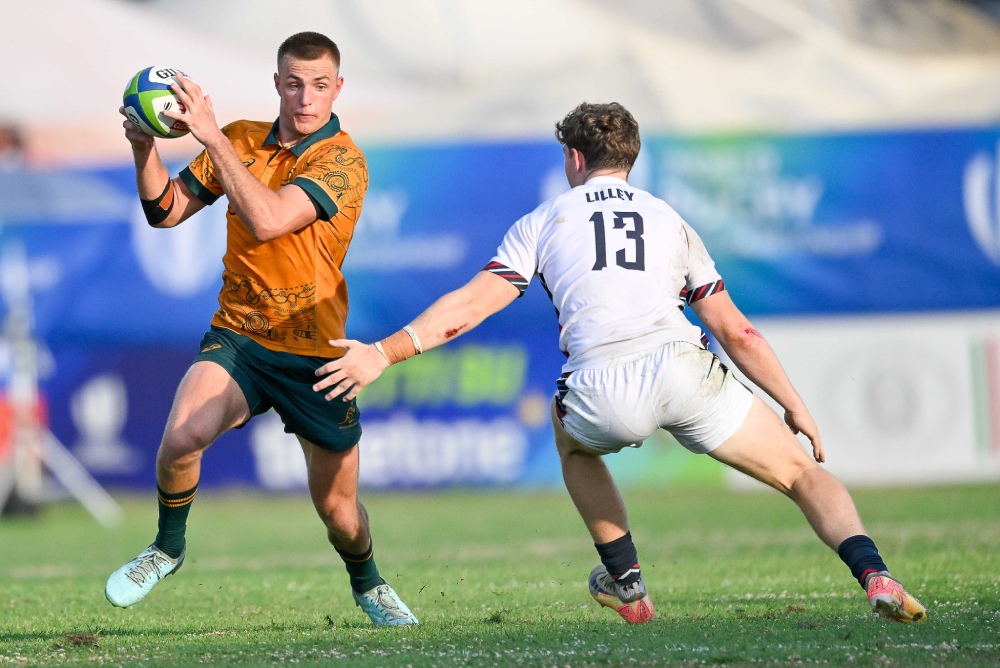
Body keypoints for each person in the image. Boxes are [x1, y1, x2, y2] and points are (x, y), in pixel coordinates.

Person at [312, 102, 928, 625]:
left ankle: (626, 582)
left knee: (573, 445)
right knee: (800, 473)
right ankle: (876, 576)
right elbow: (737, 331)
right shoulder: (669, 219)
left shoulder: (544, 220)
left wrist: (384, 352)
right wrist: (795, 406)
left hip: (601, 386)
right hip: (683, 369)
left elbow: (470, 308)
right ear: (631, 158)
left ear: (574, 158)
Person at [104, 32, 417, 627]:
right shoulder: (242, 139)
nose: (305, 98)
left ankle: (367, 581)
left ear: (337, 88)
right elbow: (164, 211)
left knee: (340, 514)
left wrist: (213, 138)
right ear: (278, 84)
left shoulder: (343, 161)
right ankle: (167, 548)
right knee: (182, 437)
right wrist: (144, 146)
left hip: (316, 355)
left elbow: (271, 220)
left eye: (319, 85)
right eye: (294, 84)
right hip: (241, 336)